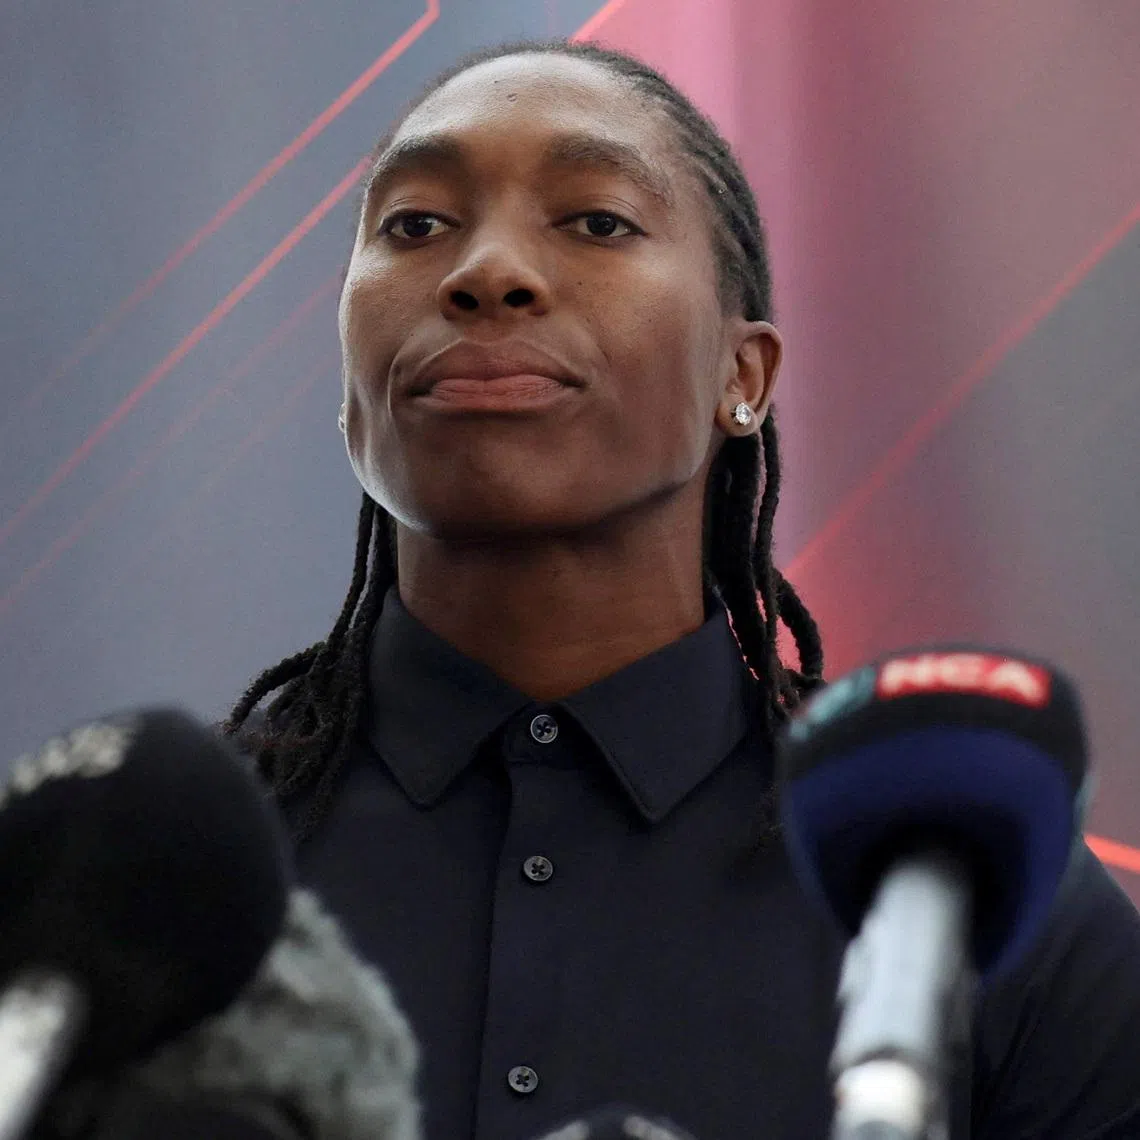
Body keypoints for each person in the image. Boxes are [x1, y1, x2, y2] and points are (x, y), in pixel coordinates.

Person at [223, 39, 1140, 1140]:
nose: (487, 271)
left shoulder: (956, 894)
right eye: (417, 225)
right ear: (347, 381)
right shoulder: (144, 883)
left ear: (741, 377)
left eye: (596, 221)